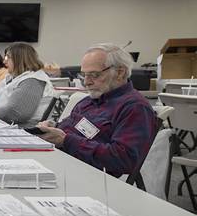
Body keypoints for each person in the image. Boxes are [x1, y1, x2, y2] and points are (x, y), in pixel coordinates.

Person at [37, 43, 157, 177]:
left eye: (94, 75)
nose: (86, 82)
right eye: (84, 75)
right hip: (62, 163)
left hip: (88, 177)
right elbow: (69, 130)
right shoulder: (89, 100)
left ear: (120, 72)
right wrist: (53, 128)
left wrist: (66, 140)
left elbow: (123, 159)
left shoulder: (135, 107)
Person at [0, 43, 56, 128]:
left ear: (19, 59)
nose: (4, 61)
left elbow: (15, 112)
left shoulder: (33, 81)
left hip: (23, 131)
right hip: (1, 125)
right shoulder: (12, 78)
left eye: (8, 57)